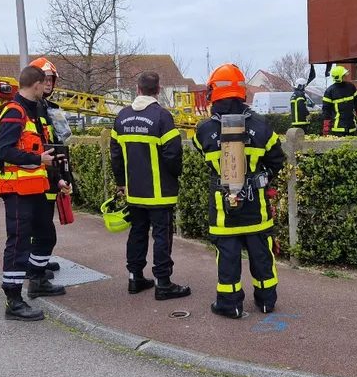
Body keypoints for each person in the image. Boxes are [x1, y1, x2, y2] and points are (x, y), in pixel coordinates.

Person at [193, 64, 286, 319]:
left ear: (213, 92)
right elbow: (278, 160)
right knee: (261, 255)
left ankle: (230, 305)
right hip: (256, 207)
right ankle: (267, 301)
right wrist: (261, 177)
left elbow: (203, 156)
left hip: (224, 208)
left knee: (228, 258)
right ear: (242, 91)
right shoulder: (263, 126)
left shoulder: (203, 130)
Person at [0, 65, 66, 321]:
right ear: (36, 85)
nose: (46, 87)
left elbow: (43, 153)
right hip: (16, 191)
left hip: (35, 188)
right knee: (18, 243)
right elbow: (3, 151)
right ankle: (13, 300)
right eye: (43, 83)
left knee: (46, 235)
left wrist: (56, 181)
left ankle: (36, 280)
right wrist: (38, 159)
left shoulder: (32, 112)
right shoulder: (14, 112)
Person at [110, 72, 192, 300]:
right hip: (159, 192)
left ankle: (135, 278)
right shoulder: (162, 117)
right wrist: (174, 176)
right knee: (161, 236)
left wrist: (121, 183)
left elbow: (115, 155)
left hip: (134, 192)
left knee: (137, 233)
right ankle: (163, 284)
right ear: (158, 90)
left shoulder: (122, 117)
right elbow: (174, 153)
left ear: (137, 89)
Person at [27, 57, 71, 278]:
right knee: (41, 225)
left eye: (51, 80)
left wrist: (64, 174)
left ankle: (38, 261)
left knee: (44, 220)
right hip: (36, 173)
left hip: (51, 172)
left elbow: (59, 142)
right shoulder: (30, 108)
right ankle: (35, 267)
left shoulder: (49, 107)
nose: (48, 83)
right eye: (44, 79)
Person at [321, 64, 357, 136]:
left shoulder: (351, 87)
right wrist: (326, 126)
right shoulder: (330, 91)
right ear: (340, 77)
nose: (346, 76)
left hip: (351, 127)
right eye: (344, 75)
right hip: (338, 129)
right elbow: (326, 111)